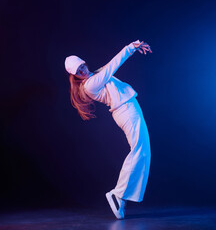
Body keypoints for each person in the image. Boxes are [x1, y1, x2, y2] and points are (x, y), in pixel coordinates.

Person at [65, 40, 152, 219]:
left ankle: (120, 196)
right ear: (75, 76)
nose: (83, 70)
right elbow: (113, 64)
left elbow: (105, 67)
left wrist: (134, 48)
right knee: (140, 150)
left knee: (142, 151)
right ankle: (118, 195)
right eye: (78, 71)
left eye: (82, 65)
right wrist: (131, 47)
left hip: (129, 108)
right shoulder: (90, 84)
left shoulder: (94, 75)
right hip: (125, 110)